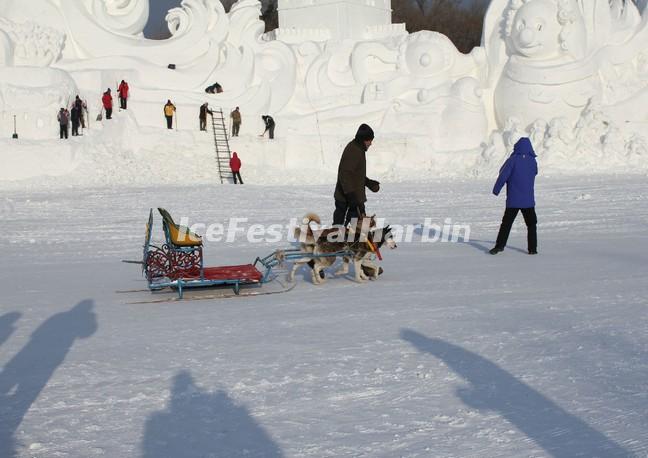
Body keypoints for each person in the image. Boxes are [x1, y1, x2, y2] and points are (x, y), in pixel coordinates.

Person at [490, 137, 538, 255]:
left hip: (513, 200)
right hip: (528, 201)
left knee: (506, 224)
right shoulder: (533, 161)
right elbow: (535, 172)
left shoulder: (512, 160)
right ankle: (532, 249)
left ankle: (499, 246)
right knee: (531, 224)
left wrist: (496, 190)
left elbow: (503, 175)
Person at [333, 123, 380, 226]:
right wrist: (350, 195)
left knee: (357, 230)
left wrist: (368, 183)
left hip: (354, 197)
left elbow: (354, 174)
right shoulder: (353, 150)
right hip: (346, 198)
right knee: (339, 229)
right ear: (363, 139)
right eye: (369, 140)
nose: (371, 143)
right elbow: (344, 174)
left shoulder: (358, 149)